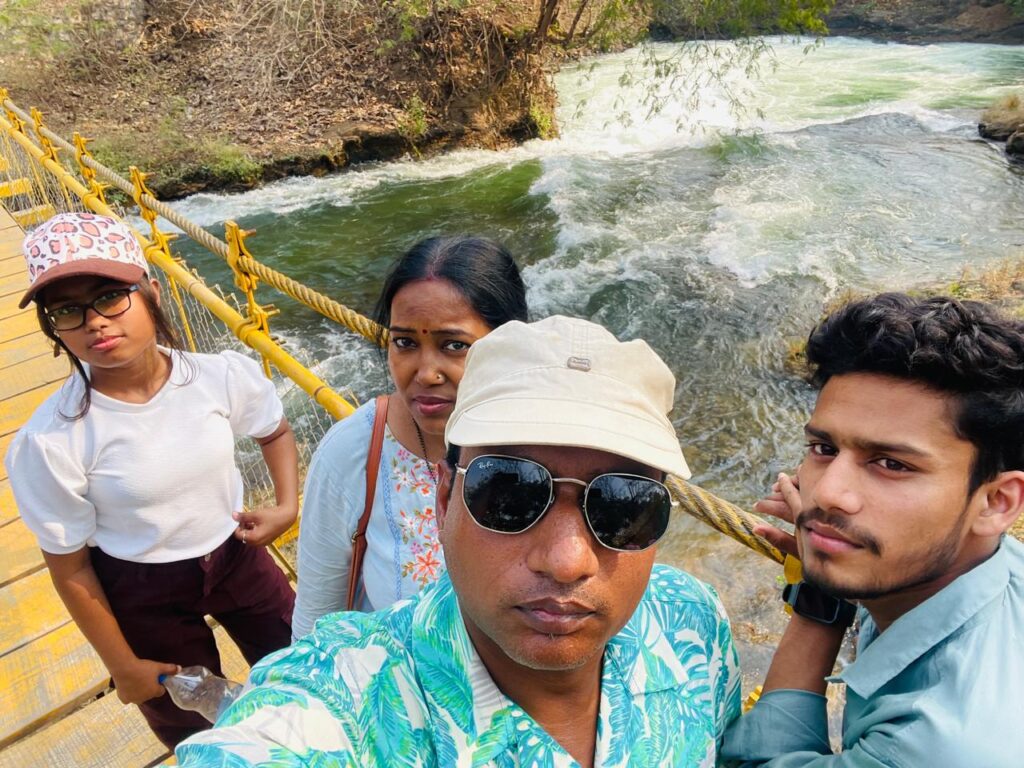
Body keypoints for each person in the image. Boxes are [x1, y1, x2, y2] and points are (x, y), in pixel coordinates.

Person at [176, 315, 741, 767]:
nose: (567, 560)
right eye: (509, 492)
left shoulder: (692, 620)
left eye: (624, 504)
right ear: (443, 499)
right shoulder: (348, 701)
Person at [4, 212, 300, 748]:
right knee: (192, 727)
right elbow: (70, 567)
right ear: (54, 328)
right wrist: (122, 666)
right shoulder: (52, 440)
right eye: (67, 310)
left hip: (236, 553)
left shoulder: (217, 377)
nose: (94, 322)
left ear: (152, 293)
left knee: (300, 662)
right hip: (140, 587)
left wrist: (286, 506)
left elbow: (274, 430)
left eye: (110, 297)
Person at [721, 293, 1024, 767]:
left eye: (891, 464)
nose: (827, 493)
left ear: (996, 502)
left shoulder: (933, 745)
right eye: (824, 448)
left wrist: (819, 598)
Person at [290, 235, 528, 639]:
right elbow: (315, 626)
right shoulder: (353, 453)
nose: (426, 373)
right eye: (405, 343)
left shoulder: (551, 447)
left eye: (454, 345)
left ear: (509, 345)